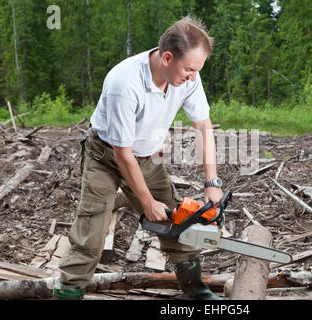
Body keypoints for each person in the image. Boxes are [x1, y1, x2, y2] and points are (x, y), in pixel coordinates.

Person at [52, 17, 224, 300]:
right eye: (190, 69)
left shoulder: (188, 76)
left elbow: (204, 127)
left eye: (197, 70)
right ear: (167, 57)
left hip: (148, 157)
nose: (193, 76)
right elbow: (122, 152)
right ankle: (68, 292)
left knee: (178, 221)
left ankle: (196, 290)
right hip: (105, 156)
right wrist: (146, 202)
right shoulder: (125, 82)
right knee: (91, 232)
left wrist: (212, 181)